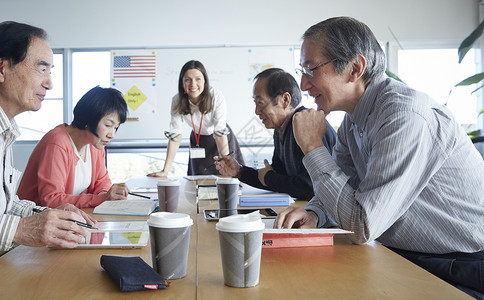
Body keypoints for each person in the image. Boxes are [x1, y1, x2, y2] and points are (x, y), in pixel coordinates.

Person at [275, 17, 484, 298]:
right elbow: (345, 189)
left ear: (355, 68)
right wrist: (314, 213)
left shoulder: (404, 116)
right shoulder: (353, 121)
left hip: (459, 265)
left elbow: (363, 224)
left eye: (311, 68)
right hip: (406, 255)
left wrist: (313, 148)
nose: (303, 82)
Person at [0, 21, 95, 253]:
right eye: (42, 69)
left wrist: (47, 215)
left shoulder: (7, 131)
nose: (50, 83)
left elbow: (7, 206)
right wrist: (19, 230)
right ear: (2, 69)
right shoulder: (57, 140)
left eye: (51, 71)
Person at [215, 68, 336, 200]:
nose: (256, 111)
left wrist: (269, 178)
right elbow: (277, 178)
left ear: (285, 100)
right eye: (255, 103)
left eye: (260, 103)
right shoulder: (282, 129)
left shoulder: (306, 125)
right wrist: (239, 171)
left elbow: (311, 187)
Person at [17, 86, 130, 208]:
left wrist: (107, 195)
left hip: (64, 218)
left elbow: (102, 181)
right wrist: (102, 198)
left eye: (116, 127)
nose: (112, 135)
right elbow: (51, 199)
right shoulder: (57, 143)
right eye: (108, 125)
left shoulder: (95, 144)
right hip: (33, 220)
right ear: (89, 119)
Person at [147, 60, 244, 177]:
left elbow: (219, 134)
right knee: (198, 183)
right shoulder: (177, 100)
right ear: (182, 83)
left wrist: (226, 168)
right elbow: (175, 137)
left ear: (205, 81)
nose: (193, 84)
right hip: (198, 140)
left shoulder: (216, 96)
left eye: (198, 79)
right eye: (187, 80)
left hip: (221, 138)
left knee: (227, 180)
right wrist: (165, 171)